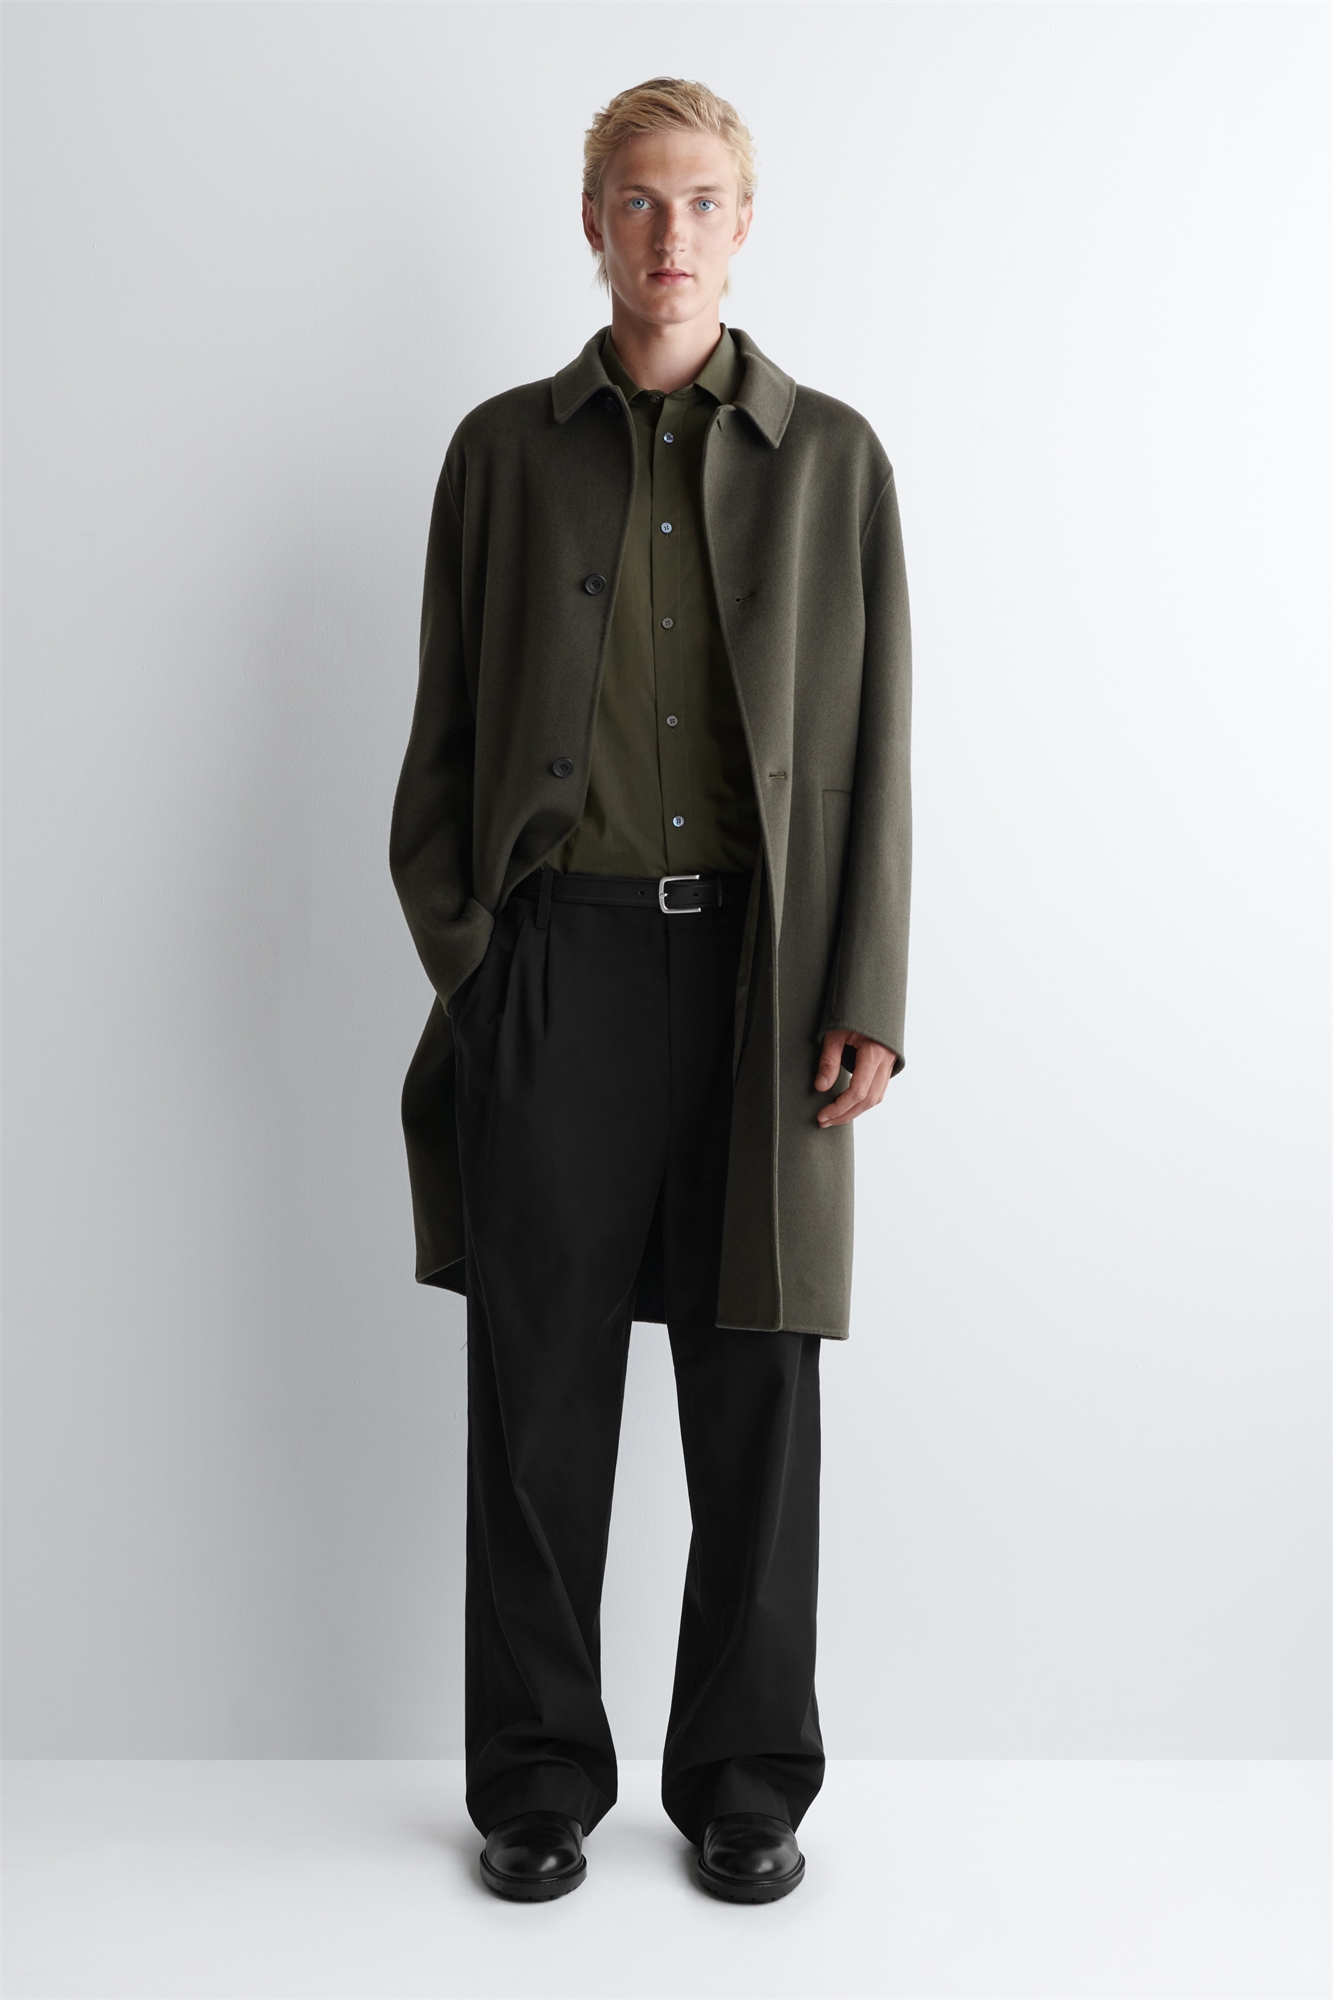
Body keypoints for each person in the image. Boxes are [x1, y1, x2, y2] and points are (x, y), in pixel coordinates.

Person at [390, 76, 911, 1904]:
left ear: (742, 225)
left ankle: (745, 1784)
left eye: (698, 201)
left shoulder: (831, 458)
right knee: (537, 1391)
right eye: (634, 199)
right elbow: (444, 735)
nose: (667, 233)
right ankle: (535, 1781)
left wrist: (865, 988)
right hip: (560, 965)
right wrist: (479, 963)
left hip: (767, 977)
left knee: (756, 1384)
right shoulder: (503, 454)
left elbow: (877, 747)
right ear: (591, 221)